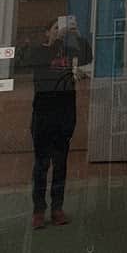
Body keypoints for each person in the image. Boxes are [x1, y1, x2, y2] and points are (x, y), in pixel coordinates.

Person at [29, 16, 93, 229]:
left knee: (60, 163)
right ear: (47, 32)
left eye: (61, 27)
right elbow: (40, 68)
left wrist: (77, 35)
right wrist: (56, 41)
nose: (59, 30)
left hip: (64, 116)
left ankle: (57, 208)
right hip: (43, 116)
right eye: (55, 27)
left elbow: (87, 56)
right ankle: (38, 210)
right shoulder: (38, 52)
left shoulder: (69, 50)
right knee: (41, 165)